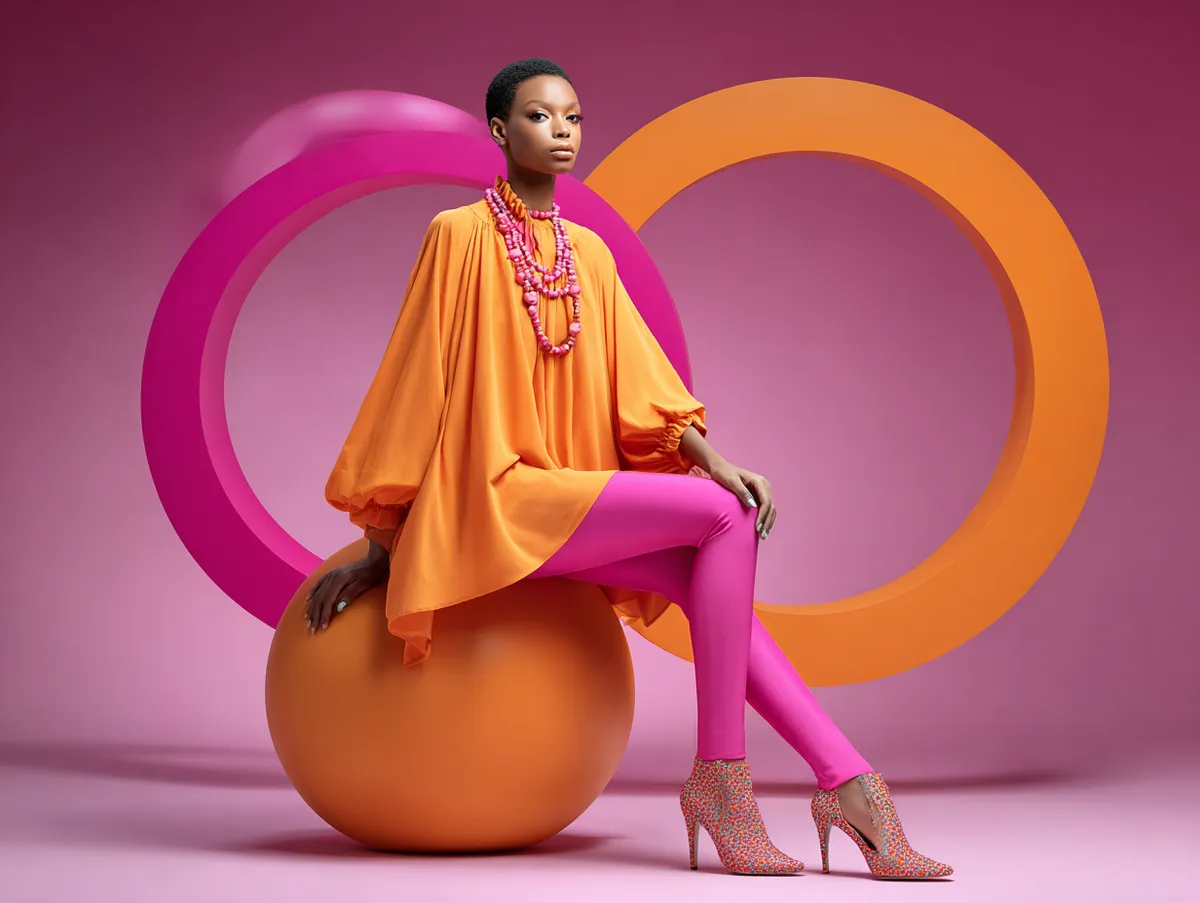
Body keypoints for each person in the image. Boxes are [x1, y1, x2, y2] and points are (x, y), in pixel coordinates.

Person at [306, 58, 951, 880]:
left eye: (573, 115)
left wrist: (717, 457)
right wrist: (382, 537)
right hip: (492, 493)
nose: (563, 130)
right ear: (501, 131)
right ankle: (728, 782)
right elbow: (413, 378)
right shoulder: (457, 234)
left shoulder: (591, 255)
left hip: (555, 504)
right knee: (717, 519)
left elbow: (639, 387)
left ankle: (846, 779)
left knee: (706, 555)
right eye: (541, 117)